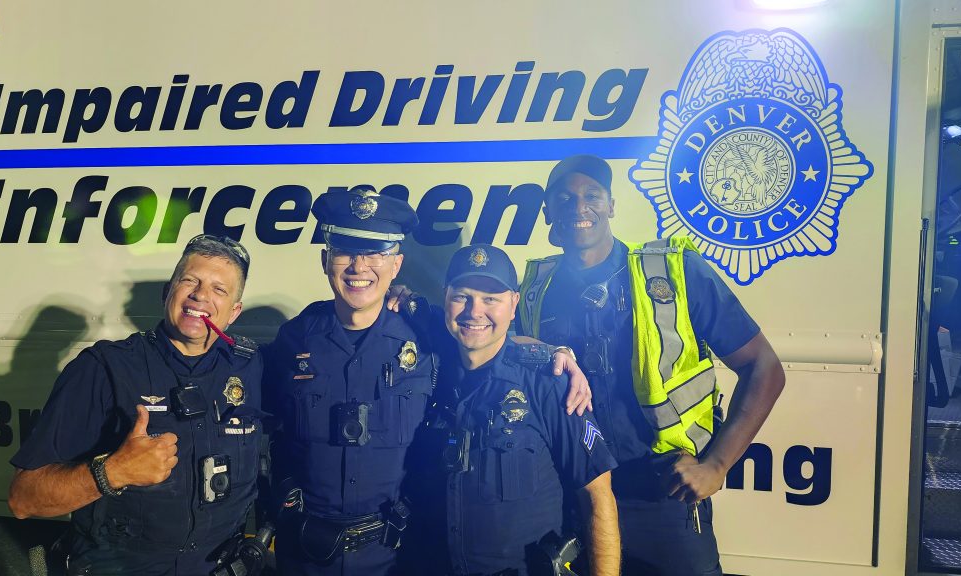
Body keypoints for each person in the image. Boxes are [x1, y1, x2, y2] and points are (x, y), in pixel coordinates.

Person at [264, 189, 591, 576]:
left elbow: (486, 335)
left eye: (376, 253)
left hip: (396, 557)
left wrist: (553, 353)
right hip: (304, 556)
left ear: (396, 264)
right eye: (345, 251)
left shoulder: (428, 333)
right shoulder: (294, 339)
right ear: (325, 260)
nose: (359, 266)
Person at [515, 155, 786, 575]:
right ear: (548, 210)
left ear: (611, 205)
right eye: (564, 198)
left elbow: (764, 367)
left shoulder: (671, 271)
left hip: (661, 497)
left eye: (592, 196)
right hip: (575, 497)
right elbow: (487, 339)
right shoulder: (535, 288)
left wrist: (716, 465)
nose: (578, 207)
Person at [7, 234, 264, 575]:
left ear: (233, 312)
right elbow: (24, 499)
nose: (201, 295)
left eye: (219, 289)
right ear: (166, 293)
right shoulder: (104, 369)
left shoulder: (250, 367)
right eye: (190, 280)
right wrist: (113, 472)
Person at [424, 244, 620, 576]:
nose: (474, 311)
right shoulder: (422, 374)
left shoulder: (552, 384)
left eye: (490, 299)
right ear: (445, 298)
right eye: (462, 296)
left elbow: (598, 499)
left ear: (513, 304)